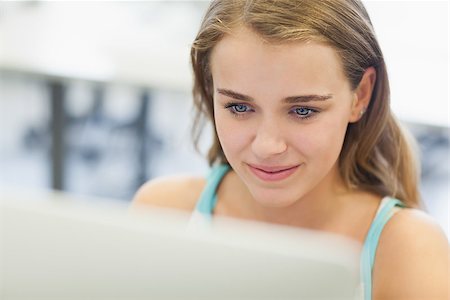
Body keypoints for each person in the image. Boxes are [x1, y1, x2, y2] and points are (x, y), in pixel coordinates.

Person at [132, 0, 449, 299]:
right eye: (239, 107)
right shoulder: (163, 214)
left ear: (360, 96)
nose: (267, 146)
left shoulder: (407, 249)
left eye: (303, 111)